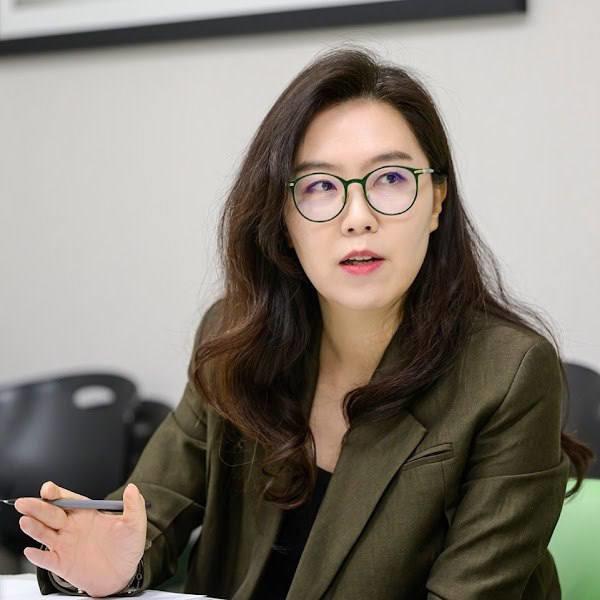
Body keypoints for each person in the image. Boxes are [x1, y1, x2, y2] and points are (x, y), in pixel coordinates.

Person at [14, 45, 593, 599]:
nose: (358, 217)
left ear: (437, 200)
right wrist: (115, 564)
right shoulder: (233, 338)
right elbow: (151, 513)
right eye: (320, 187)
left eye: (391, 179)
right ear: (283, 217)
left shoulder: (508, 374)